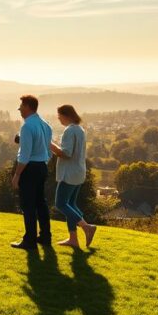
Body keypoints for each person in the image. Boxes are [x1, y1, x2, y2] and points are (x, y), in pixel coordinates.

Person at [50, 104, 97, 248]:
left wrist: (49, 144)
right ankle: (73, 239)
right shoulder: (80, 129)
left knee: (61, 204)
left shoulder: (69, 131)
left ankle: (86, 227)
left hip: (69, 174)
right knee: (71, 205)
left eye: (59, 116)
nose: (59, 119)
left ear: (66, 115)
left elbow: (66, 153)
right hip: (78, 172)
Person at [11, 94, 53, 250]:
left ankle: (29, 240)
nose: (19, 109)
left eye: (21, 106)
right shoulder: (45, 124)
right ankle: (45, 237)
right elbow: (48, 149)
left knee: (28, 205)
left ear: (28, 106)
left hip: (30, 168)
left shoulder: (27, 126)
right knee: (41, 203)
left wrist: (17, 175)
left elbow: (25, 155)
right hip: (42, 166)